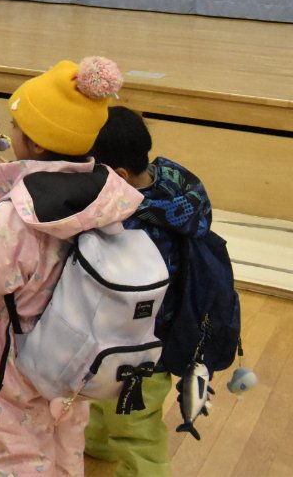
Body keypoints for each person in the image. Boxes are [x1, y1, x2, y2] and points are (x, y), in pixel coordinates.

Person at [0, 57, 143, 477]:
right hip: (77, 347)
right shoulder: (105, 194)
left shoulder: (22, 209)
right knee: (66, 438)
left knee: (13, 448)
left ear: (37, 144)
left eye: (16, 127)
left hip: (18, 349)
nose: (11, 134)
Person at [85, 107, 213, 477]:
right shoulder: (174, 178)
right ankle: (97, 445)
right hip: (159, 334)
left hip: (138, 344)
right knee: (103, 400)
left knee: (136, 426)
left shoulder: (126, 219)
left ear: (118, 175)